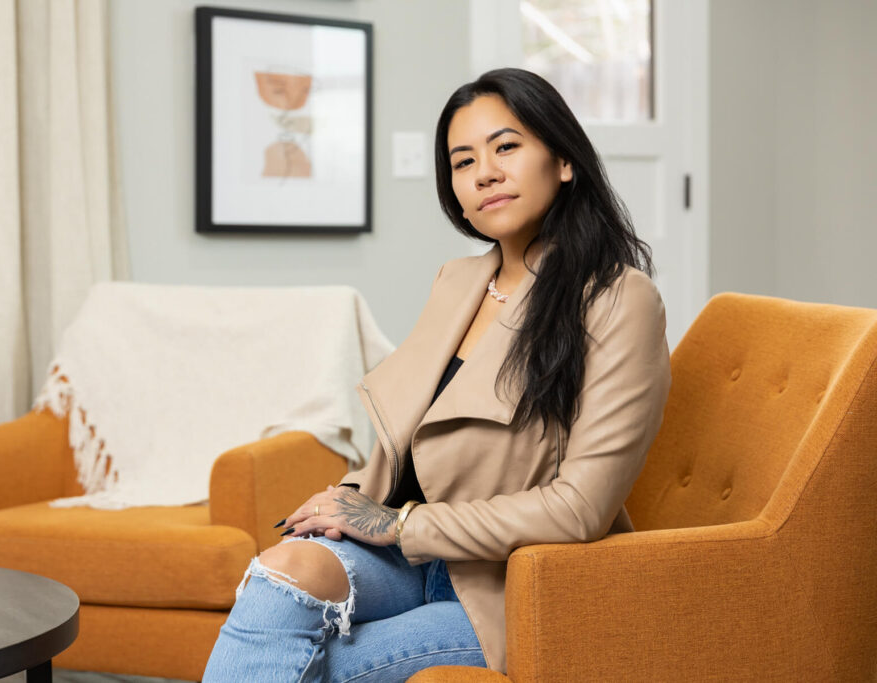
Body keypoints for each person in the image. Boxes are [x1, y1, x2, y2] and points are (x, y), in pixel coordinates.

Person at [201, 67, 671, 682]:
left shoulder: (617, 299)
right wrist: (350, 499)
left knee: (304, 660)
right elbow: (412, 440)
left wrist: (399, 524)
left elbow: (580, 508)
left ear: (562, 160)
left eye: (507, 147)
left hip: (507, 583)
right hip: (405, 554)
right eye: (462, 160)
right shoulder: (457, 281)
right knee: (278, 577)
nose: (485, 173)